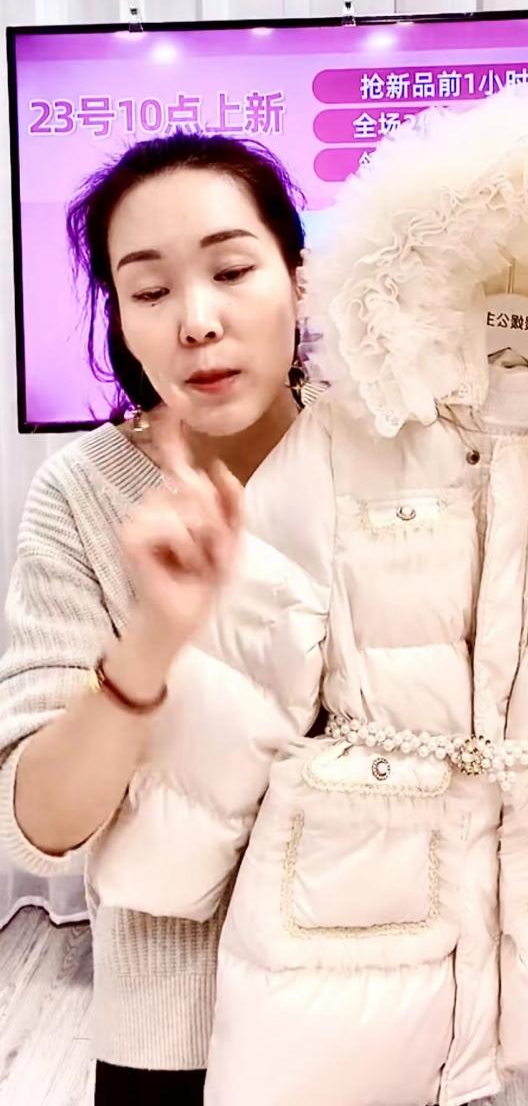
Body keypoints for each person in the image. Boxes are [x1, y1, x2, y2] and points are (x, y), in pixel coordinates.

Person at [92, 87, 528, 1106]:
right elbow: (249, 664)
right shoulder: (355, 435)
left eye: (231, 268)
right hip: (354, 915)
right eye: (148, 288)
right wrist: (166, 858)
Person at [0, 129, 312, 1106]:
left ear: (298, 280)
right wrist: (154, 637)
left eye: (232, 270)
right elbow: (38, 825)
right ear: (122, 319)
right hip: (175, 1031)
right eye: (149, 289)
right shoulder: (82, 491)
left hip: (385, 1008)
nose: (197, 321)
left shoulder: (395, 456)